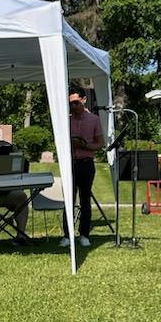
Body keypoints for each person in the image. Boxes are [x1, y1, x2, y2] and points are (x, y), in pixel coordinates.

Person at [61, 88, 104, 248]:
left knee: (85, 200)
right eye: (70, 103)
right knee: (68, 200)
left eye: (76, 102)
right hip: (70, 163)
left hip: (86, 163)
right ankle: (67, 235)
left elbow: (100, 144)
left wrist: (85, 146)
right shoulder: (66, 120)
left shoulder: (94, 119)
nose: (73, 106)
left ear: (84, 100)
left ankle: (84, 234)